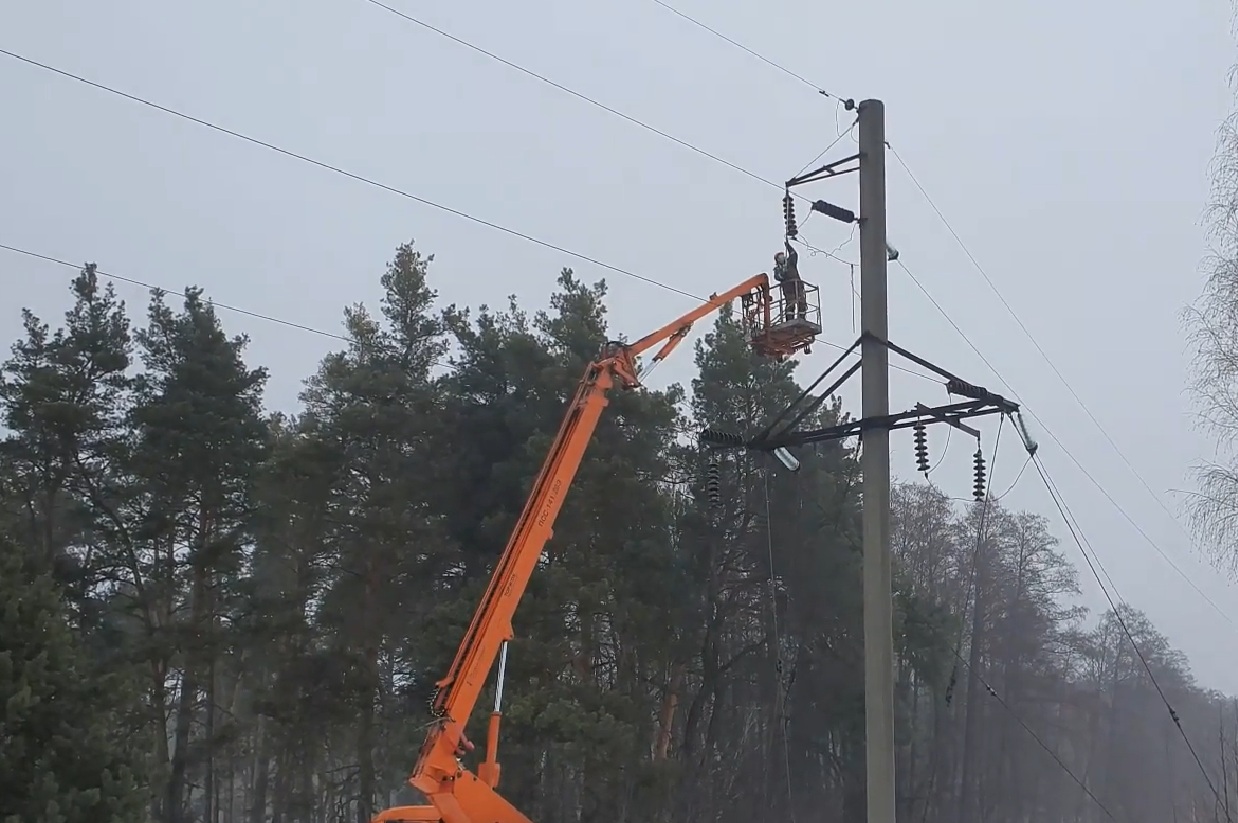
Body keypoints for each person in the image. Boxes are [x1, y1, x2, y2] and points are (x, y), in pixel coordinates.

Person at [773, 240, 807, 321]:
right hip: (789, 289)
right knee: (790, 304)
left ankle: (802, 318)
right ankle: (790, 319)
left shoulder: (790, 263)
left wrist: (788, 246)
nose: (782, 258)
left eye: (782, 256)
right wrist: (783, 273)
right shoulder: (777, 269)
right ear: (777, 260)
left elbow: (794, 254)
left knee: (802, 303)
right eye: (779, 257)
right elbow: (778, 277)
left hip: (797, 286)